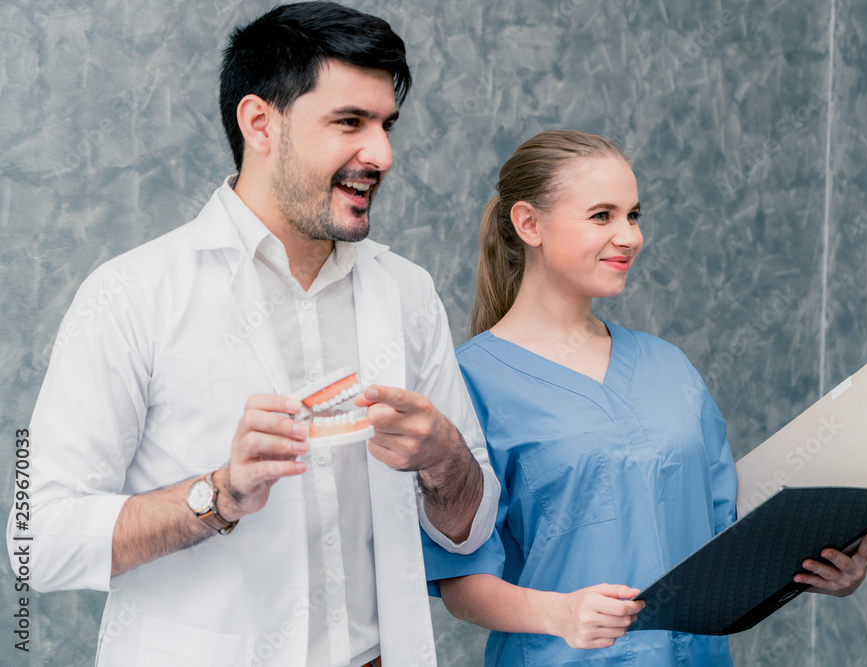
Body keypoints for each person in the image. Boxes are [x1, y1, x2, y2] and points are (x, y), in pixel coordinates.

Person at [6, 3, 500, 666]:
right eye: (350, 122)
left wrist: (445, 455)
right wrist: (217, 495)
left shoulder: (407, 294)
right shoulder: (131, 295)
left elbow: (470, 527)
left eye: (386, 125)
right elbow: (36, 541)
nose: (381, 154)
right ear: (260, 124)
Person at [421, 130, 867, 665]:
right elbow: (460, 582)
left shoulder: (669, 367)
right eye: (602, 216)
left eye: (633, 216)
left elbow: (724, 542)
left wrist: (818, 566)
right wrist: (558, 615)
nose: (630, 236)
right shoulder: (468, 382)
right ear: (529, 224)